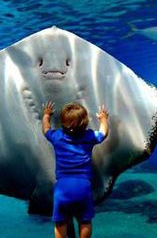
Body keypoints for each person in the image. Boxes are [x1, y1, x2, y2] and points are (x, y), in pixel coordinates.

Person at [41, 101, 109, 238]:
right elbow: (103, 133)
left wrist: (46, 116)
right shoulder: (89, 137)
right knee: (85, 221)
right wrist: (103, 119)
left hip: (62, 187)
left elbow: (46, 130)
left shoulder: (57, 137)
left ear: (63, 124)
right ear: (85, 123)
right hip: (83, 186)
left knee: (60, 222)